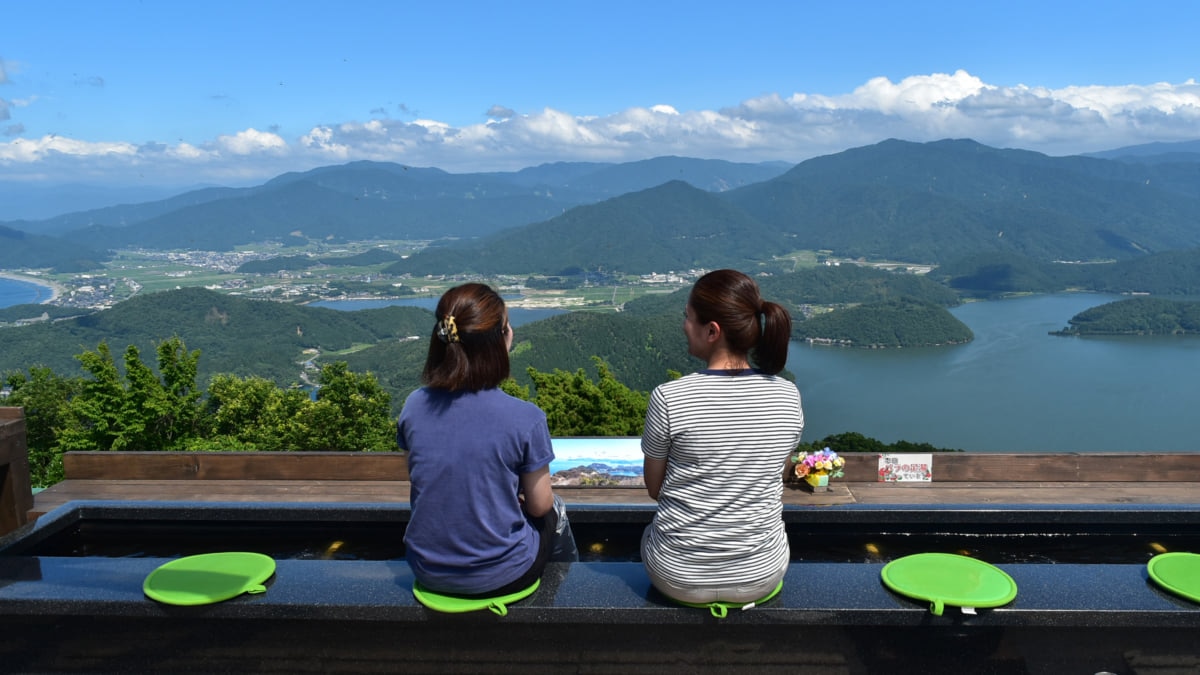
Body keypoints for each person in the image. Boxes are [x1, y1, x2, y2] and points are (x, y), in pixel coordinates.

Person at [640, 269, 805, 605]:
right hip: (761, 573)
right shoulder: (788, 395)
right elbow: (779, 472)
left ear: (712, 331)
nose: (684, 325)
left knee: (648, 535)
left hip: (678, 575)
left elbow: (655, 489)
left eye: (687, 317)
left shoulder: (669, 397)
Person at [397, 283, 572, 597]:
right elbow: (539, 505)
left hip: (427, 569)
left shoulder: (414, 405)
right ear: (499, 342)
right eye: (507, 328)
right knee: (555, 511)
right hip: (503, 573)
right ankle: (563, 586)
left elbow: (424, 473)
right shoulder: (526, 417)